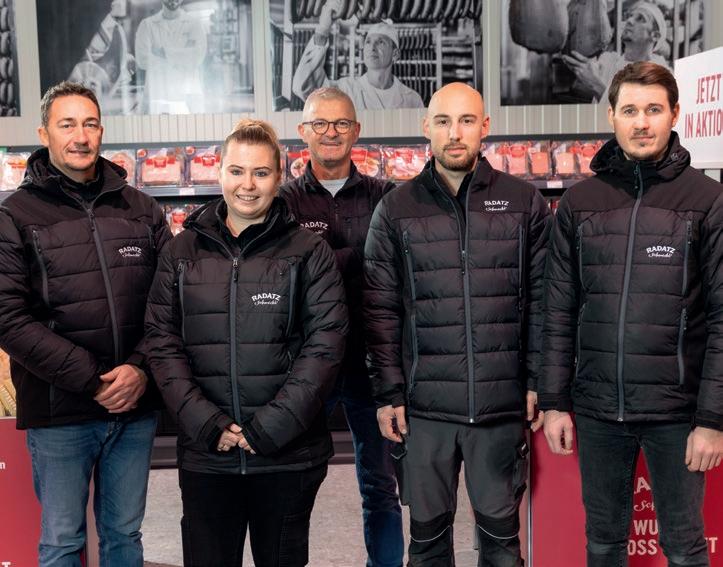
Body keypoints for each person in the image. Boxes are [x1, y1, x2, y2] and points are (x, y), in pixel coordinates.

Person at [540, 61, 723, 567]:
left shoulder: (708, 201)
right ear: (612, 116)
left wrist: (712, 419)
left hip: (677, 414)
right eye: (630, 110)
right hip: (598, 410)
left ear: (674, 115)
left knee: (684, 547)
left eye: (653, 110)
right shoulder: (580, 203)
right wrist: (554, 403)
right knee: (603, 543)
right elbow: (558, 310)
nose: (641, 123)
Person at [143, 119, 348, 567]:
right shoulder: (180, 253)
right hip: (207, 455)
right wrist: (205, 423)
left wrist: (270, 427)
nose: (248, 185)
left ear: (280, 176)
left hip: (287, 456)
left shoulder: (308, 251)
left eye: (261, 172)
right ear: (220, 172)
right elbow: (161, 342)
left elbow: (326, 344)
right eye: (236, 171)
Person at [363, 82, 550, 566]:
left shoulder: (524, 203)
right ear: (426, 126)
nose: (455, 133)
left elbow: (543, 302)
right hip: (424, 411)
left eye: (467, 121)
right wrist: (388, 392)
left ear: (484, 127)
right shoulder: (396, 209)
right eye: (443, 121)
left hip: (499, 407)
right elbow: (380, 310)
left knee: (502, 544)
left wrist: (537, 380)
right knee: (426, 545)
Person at [0, 81, 171, 566]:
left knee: (124, 535)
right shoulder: (14, 216)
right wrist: (93, 380)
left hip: (134, 407)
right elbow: (8, 317)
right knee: (62, 540)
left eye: (90, 124)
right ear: (44, 133)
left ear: (101, 131)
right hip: (60, 411)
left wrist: (140, 369)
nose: (80, 136)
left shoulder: (141, 208)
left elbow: (169, 302)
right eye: (67, 124)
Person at [280, 87, 404, 567]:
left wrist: (323, 261)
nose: (330, 132)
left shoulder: (386, 198)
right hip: (308, 364)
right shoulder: (283, 202)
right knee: (294, 481)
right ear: (303, 131)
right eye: (320, 123)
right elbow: (281, 276)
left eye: (341, 123)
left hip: (373, 363)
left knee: (380, 485)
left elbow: (396, 274)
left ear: (356, 131)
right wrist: (358, 260)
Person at [292, 0, 424, 110]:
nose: (372, 47)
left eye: (381, 42)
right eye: (368, 42)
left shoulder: (412, 99)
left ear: (395, 55)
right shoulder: (345, 90)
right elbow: (303, 87)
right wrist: (323, 29)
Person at [562, 1, 670, 103]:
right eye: (630, 16)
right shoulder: (608, 61)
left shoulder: (661, 77)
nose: (629, 21)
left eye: (640, 19)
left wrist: (596, 85)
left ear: (655, 36)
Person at [134, 0, 207, 114]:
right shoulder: (147, 25)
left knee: (191, 124)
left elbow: (197, 58)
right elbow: (142, 59)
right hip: (158, 94)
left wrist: (164, 52)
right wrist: (182, 56)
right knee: (155, 125)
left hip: (188, 96)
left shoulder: (195, 24)